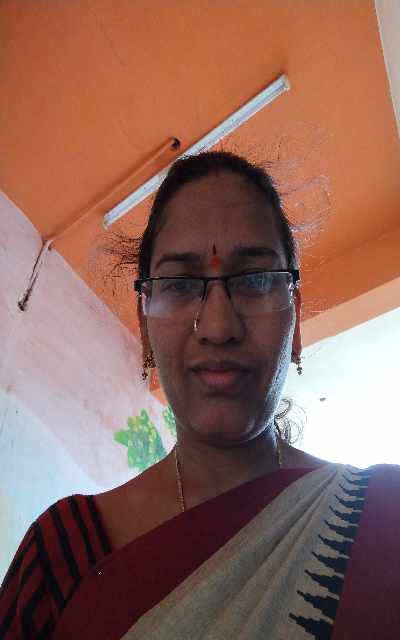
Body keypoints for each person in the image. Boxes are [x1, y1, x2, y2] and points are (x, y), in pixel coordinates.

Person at [1, 151, 399, 639]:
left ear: (294, 319)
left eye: (255, 280)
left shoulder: (384, 518)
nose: (217, 326)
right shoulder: (61, 556)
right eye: (180, 284)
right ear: (145, 326)